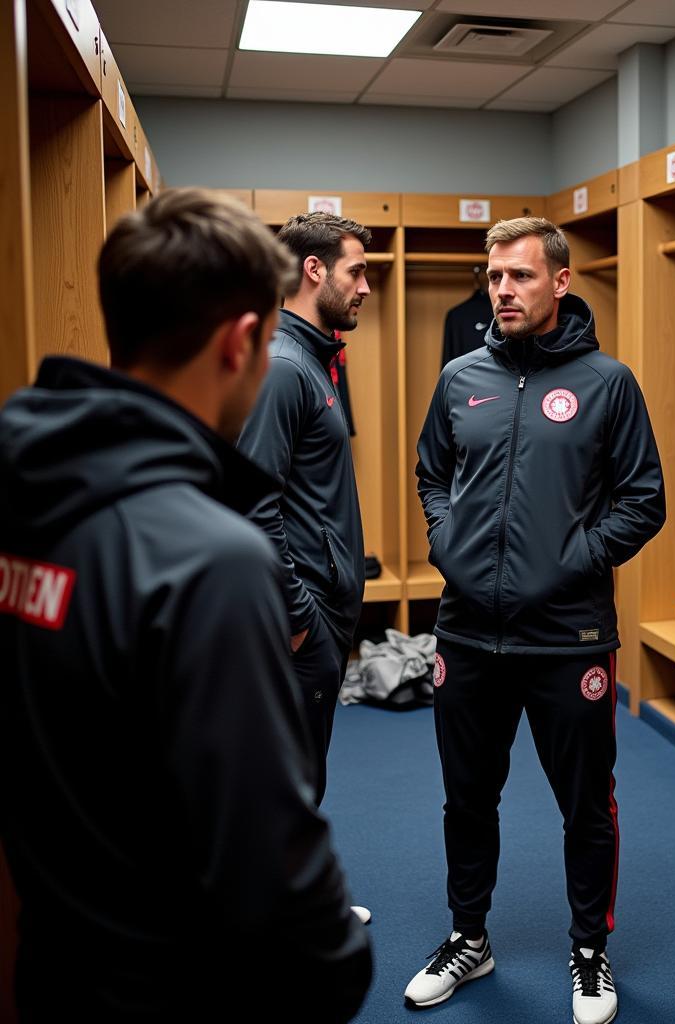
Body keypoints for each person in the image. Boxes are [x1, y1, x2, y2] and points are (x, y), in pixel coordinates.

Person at [0, 189, 371, 1021]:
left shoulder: (26, 491)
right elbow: (271, 857)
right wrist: (338, 965)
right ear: (241, 343)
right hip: (175, 986)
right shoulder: (206, 557)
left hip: (51, 962)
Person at [406, 216, 665, 1024]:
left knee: (586, 803)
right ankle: (469, 937)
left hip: (569, 638)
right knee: (466, 798)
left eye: (519, 276)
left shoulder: (608, 383)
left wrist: (569, 559)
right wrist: (448, 542)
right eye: (494, 278)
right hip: (466, 634)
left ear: (560, 282)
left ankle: (590, 950)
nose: (503, 291)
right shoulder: (459, 378)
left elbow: (643, 501)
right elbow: (430, 475)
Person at [237, 211, 371, 808]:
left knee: (302, 774)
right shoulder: (284, 367)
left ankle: (295, 903)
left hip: (320, 609)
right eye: (358, 272)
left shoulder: (312, 360)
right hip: (302, 615)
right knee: (290, 783)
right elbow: (251, 503)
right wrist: (298, 621)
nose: (366, 287)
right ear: (314, 271)